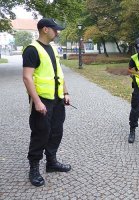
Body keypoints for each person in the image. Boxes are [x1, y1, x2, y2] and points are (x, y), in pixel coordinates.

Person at [22, 18, 71, 187]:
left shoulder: (52, 49)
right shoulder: (32, 50)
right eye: (55, 29)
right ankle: (34, 168)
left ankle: (51, 162)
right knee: (40, 133)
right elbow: (27, 77)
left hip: (57, 99)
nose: (57, 32)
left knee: (56, 131)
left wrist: (65, 92)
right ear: (45, 29)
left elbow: (59, 73)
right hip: (42, 100)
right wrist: (36, 102)